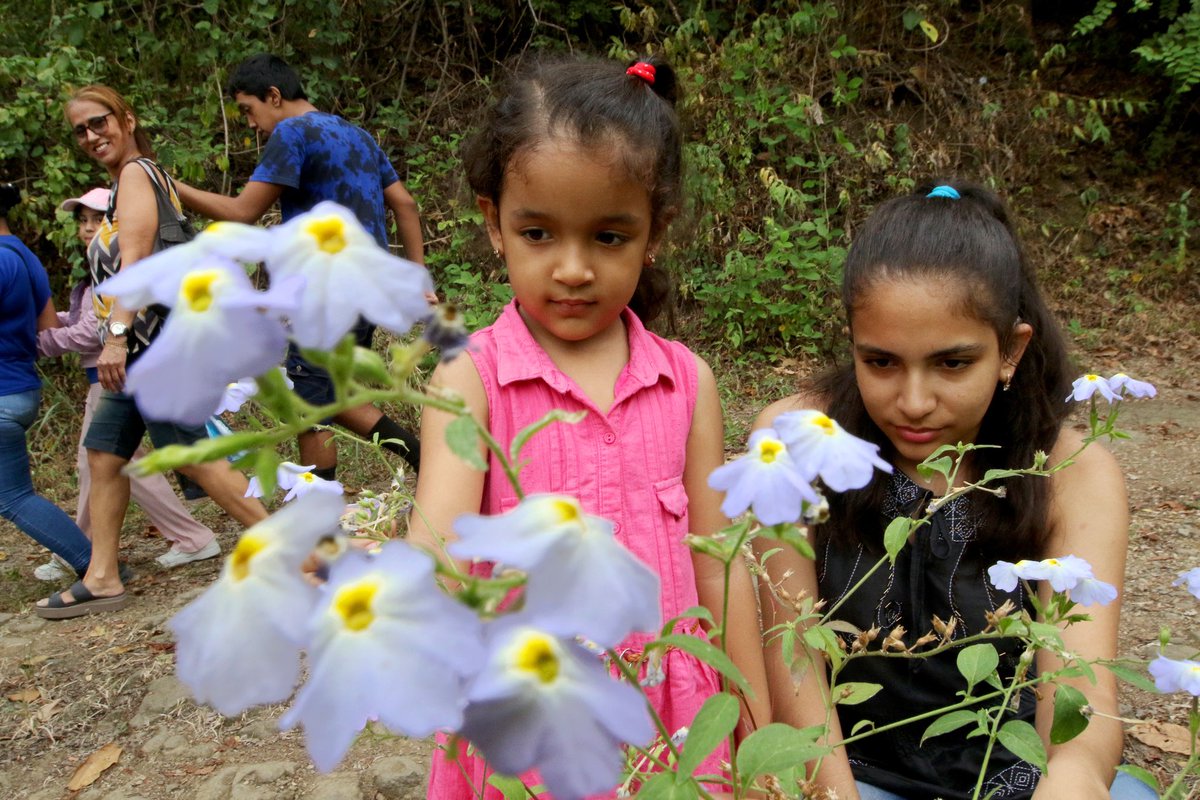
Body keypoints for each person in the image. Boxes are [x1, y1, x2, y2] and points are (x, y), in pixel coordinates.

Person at [408, 54, 775, 798]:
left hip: (676, 717)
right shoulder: (470, 379)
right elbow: (439, 548)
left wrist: (757, 723)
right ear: (495, 225)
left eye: (608, 237)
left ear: (654, 233)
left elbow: (719, 568)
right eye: (539, 233)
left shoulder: (686, 382)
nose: (572, 269)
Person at [753, 182, 1153, 799]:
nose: (913, 402)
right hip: (846, 773)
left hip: (1013, 775)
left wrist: (1071, 778)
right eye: (881, 362)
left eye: (952, 363)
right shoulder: (797, 440)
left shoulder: (1072, 474)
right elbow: (791, 664)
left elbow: (1080, 690)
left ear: (1010, 350)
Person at [36, 85, 268, 620]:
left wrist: (115, 337)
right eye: (81, 130)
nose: (92, 136)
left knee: (196, 459)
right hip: (146, 348)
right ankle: (102, 575)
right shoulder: (138, 178)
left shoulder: (138, 175)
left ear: (127, 119)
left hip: (152, 348)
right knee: (104, 451)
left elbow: (136, 261)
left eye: (100, 123)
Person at [174, 53, 424, 480]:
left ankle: (321, 517)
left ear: (274, 96)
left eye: (249, 110)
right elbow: (405, 202)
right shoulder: (357, 134)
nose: (251, 124)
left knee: (308, 406)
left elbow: (240, 212)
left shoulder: (292, 132)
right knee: (334, 395)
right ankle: (426, 460)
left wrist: (168, 185)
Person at [33, 187, 220, 581]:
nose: (87, 229)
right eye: (82, 221)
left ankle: (82, 549)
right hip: (105, 376)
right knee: (111, 462)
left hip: (117, 373)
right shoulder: (92, 272)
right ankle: (184, 538)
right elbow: (85, 320)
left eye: (95, 220)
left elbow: (92, 333)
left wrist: (39, 342)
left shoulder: (121, 264)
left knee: (102, 460)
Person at [0, 181, 100, 592]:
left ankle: (94, 565)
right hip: (19, 387)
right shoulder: (26, 258)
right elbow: (45, 328)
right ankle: (95, 563)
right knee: (15, 494)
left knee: (14, 497)